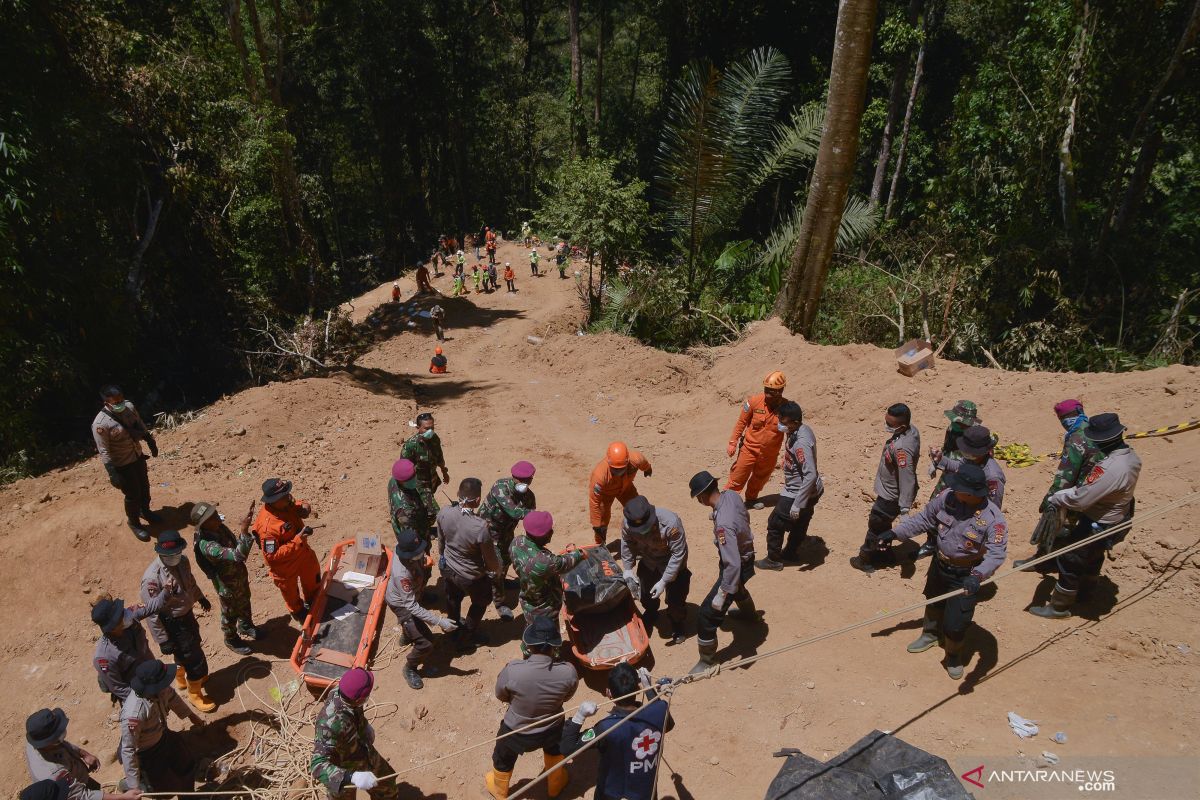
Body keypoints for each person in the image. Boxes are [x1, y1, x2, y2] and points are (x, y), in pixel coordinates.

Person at [879, 463, 1007, 679]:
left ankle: (953, 655)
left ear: (969, 493)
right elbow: (923, 519)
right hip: (940, 565)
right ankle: (929, 634)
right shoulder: (948, 498)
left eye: (958, 488)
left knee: (956, 623)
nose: (952, 489)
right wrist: (895, 534)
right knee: (933, 601)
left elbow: (996, 554)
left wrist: (978, 576)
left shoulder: (993, 520)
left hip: (966, 574)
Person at [1028, 413, 1140, 619]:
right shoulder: (1130, 456)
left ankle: (1059, 607)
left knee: (1070, 559)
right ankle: (1086, 591)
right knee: (1094, 556)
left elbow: (1081, 499)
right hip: (1117, 517)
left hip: (1099, 520)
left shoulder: (1110, 467)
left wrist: (1058, 498)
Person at [486, 616, 579, 799]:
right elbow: (567, 696)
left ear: (529, 645)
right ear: (555, 646)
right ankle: (555, 785)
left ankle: (500, 791)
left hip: (515, 732)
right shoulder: (568, 672)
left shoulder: (513, 670)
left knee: (503, 757)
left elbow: (501, 695)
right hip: (552, 729)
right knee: (555, 750)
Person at [559, 664, 674, 800]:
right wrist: (649, 688)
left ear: (609, 693)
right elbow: (668, 725)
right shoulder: (659, 710)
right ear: (638, 688)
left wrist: (579, 716)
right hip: (645, 793)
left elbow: (567, 748)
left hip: (612, 794)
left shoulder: (606, 728)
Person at [1014, 399, 1104, 570]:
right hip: (1100, 490)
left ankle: (1046, 561)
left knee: (1056, 524)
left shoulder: (1077, 438)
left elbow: (1066, 475)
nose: (1062, 422)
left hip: (1079, 492)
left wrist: (1050, 499)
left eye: (1062, 418)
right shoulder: (1097, 429)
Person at [688, 470, 757, 674]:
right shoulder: (732, 496)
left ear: (701, 497)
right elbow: (742, 515)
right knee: (739, 588)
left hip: (736, 564)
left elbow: (733, 565)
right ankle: (750, 616)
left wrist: (723, 592)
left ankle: (707, 660)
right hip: (746, 555)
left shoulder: (723, 527)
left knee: (707, 615)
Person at [140, 531, 216, 713]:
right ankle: (195, 693)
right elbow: (151, 613)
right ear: (160, 553)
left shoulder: (183, 562)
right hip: (173, 623)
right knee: (193, 657)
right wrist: (162, 640)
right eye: (170, 555)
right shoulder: (152, 577)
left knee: (189, 648)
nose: (175, 557)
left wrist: (200, 597)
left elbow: (190, 582)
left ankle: (182, 679)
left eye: (177, 552)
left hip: (187, 615)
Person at [384, 528, 458, 689]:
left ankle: (408, 634)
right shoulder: (402, 576)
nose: (422, 552)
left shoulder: (404, 546)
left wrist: (422, 560)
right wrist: (440, 621)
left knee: (414, 625)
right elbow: (411, 607)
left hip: (413, 594)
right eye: (418, 552)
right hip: (402, 604)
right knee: (426, 643)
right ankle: (410, 668)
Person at [310, 669, 399, 800]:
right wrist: (351, 777)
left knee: (387, 787)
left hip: (363, 752)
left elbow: (355, 711)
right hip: (342, 768)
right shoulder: (329, 725)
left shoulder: (346, 693)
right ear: (359, 699)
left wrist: (364, 726)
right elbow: (317, 765)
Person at [119, 660, 204, 794]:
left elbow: (173, 698)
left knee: (187, 764)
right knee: (166, 789)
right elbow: (129, 749)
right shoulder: (134, 713)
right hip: (147, 751)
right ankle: (142, 784)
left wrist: (190, 715)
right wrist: (133, 786)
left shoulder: (161, 688)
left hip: (163, 735)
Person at [853, 403, 920, 574]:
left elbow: (907, 478)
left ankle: (865, 559)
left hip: (890, 496)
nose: (886, 426)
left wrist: (905, 508)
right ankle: (885, 555)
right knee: (884, 527)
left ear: (902, 426)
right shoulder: (910, 431)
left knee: (876, 526)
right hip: (890, 491)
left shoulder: (902, 448)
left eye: (890, 424)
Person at [437, 477, 502, 649]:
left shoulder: (444, 513)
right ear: (478, 501)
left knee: (453, 598)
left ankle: (452, 627)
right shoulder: (480, 527)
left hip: (449, 569)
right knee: (481, 601)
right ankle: (468, 634)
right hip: (471, 575)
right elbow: (490, 561)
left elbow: (441, 543)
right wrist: (496, 570)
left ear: (458, 494)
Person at [190, 500, 260, 655]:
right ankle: (231, 638)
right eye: (212, 517)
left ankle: (246, 626)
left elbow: (233, 543)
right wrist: (244, 530)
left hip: (238, 576)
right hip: (227, 585)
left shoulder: (219, 528)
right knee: (230, 612)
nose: (218, 517)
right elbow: (238, 555)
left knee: (244, 600)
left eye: (215, 513)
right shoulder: (207, 546)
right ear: (204, 524)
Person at [759, 401, 824, 570]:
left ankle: (773, 559)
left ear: (795, 422)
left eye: (784, 422)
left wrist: (797, 503)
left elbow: (809, 474)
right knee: (801, 522)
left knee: (775, 523)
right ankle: (791, 552)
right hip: (810, 492)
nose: (781, 425)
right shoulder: (801, 429)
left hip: (798, 492)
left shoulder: (801, 443)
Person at [26, 708, 142, 800]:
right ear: (49, 741)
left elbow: (60, 744)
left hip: (76, 779)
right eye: (58, 734)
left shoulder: (35, 740)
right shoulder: (55, 774)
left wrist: (83, 753)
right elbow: (83, 796)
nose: (63, 733)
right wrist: (123, 797)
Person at [93, 385, 160, 541]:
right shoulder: (100, 424)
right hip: (122, 463)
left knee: (144, 486)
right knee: (132, 494)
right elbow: (104, 450)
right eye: (116, 402)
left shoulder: (129, 407)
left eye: (121, 399)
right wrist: (112, 472)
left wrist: (150, 441)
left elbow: (139, 423)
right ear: (106, 403)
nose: (120, 403)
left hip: (137, 455)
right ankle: (134, 522)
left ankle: (145, 511)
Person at [620, 496, 690, 644]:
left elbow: (678, 554)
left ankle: (677, 624)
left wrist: (664, 581)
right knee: (646, 594)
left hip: (672, 564)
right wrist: (627, 568)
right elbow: (627, 543)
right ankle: (651, 612)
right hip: (649, 561)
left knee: (676, 600)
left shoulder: (671, 523)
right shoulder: (627, 524)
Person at [252, 478, 321, 623]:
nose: (288, 497)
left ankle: (313, 600)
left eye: (287, 494)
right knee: (291, 594)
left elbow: (297, 504)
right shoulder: (268, 527)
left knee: (312, 579)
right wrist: (297, 540)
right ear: (273, 501)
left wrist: (305, 507)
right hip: (285, 566)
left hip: (303, 554)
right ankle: (298, 612)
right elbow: (272, 555)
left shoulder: (284, 503)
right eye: (283, 496)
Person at [918, 400, 982, 558]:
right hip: (948, 474)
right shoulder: (952, 429)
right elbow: (947, 450)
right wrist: (936, 462)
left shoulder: (976, 438)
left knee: (959, 513)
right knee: (935, 504)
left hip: (965, 479)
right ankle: (932, 541)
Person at [480, 461, 538, 620]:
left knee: (506, 560)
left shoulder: (529, 497)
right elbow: (515, 512)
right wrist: (534, 515)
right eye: (521, 480)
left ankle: (502, 583)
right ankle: (499, 602)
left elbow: (530, 521)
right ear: (513, 477)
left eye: (528, 480)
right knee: (496, 567)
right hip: (488, 533)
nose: (524, 483)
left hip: (506, 533)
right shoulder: (500, 488)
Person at [511, 511, 586, 630]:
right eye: (549, 531)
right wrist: (579, 554)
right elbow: (563, 563)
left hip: (528, 599)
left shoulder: (516, 542)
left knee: (532, 629)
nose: (551, 532)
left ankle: (530, 645)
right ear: (541, 536)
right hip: (545, 608)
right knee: (547, 638)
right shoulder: (544, 562)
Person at [726, 371, 790, 509]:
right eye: (766, 390)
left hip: (769, 454)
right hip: (749, 449)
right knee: (738, 476)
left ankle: (751, 499)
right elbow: (741, 423)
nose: (767, 394)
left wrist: (789, 454)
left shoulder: (787, 408)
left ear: (781, 391)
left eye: (771, 392)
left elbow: (791, 432)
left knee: (760, 478)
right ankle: (725, 505)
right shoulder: (754, 402)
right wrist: (733, 442)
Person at [92, 595, 158, 704]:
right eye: (120, 616)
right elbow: (118, 687)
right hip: (137, 695)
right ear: (112, 628)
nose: (124, 615)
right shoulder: (104, 657)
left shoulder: (129, 626)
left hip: (152, 679)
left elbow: (152, 606)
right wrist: (143, 701)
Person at [589, 441, 653, 545]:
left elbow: (644, 463)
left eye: (622, 469)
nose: (619, 473)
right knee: (602, 523)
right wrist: (596, 525)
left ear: (628, 461)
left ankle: (640, 540)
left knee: (637, 511)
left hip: (626, 489)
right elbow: (594, 502)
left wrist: (647, 469)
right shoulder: (599, 476)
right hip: (606, 494)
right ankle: (600, 546)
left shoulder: (636, 459)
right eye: (615, 470)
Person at [932, 425, 1006, 508]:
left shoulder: (993, 476)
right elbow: (959, 467)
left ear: (982, 452)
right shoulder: (972, 458)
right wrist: (941, 459)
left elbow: (993, 506)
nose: (965, 452)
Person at [388, 458, 436, 549]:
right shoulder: (406, 511)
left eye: (415, 474)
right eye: (412, 478)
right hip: (415, 541)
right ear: (402, 481)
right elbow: (412, 540)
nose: (415, 478)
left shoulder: (393, 481)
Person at [402, 411, 450, 499]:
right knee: (432, 510)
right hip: (419, 486)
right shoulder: (411, 445)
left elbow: (440, 458)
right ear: (418, 427)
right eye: (426, 428)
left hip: (432, 481)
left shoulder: (435, 439)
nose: (430, 431)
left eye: (432, 428)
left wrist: (444, 473)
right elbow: (403, 468)